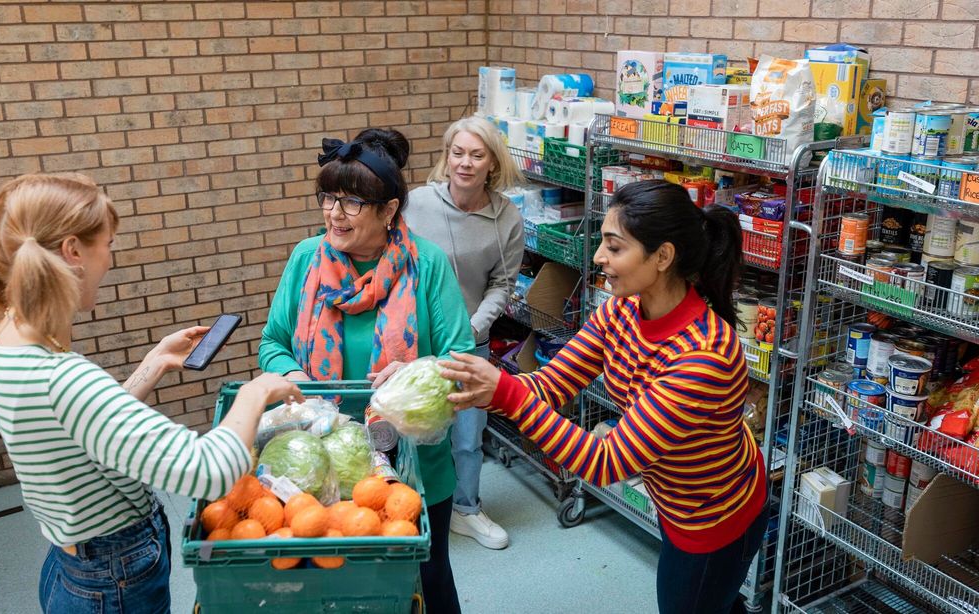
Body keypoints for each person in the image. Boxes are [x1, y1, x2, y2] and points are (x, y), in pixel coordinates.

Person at [0, 173, 301, 614]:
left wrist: (154, 362)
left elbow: (89, 425)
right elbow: (208, 470)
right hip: (112, 580)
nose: (111, 259)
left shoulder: (6, 339)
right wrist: (255, 392)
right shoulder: (63, 376)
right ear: (73, 251)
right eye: (109, 244)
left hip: (74, 565)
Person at [441, 180, 767, 614]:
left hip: (714, 514)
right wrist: (471, 385)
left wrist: (505, 395)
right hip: (675, 496)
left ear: (663, 257)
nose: (598, 258)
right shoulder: (622, 311)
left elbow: (607, 461)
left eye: (614, 247)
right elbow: (551, 384)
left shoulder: (703, 357)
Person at [258, 129, 474, 613]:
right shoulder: (305, 260)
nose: (335, 213)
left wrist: (415, 371)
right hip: (321, 456)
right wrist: (301, 383)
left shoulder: (427, 266)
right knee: (336, 587)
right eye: (329, 198)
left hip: (408, 462)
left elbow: (461, 362)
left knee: (426, 577)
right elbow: (272, 343)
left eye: (352, 203)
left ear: (389, 210)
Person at [402, 117, 525, 550]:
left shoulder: (507, 217)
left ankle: (466, 510)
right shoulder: (415, 204)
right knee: (407, 427)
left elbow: (502, 284)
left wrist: (471, 327)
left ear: (492, 162)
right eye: (458, 153)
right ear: (446, 155)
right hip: (413, 341)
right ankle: (404, 510)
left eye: (477, 154)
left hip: (471, 341)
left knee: (468, 437)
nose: (465, 163)